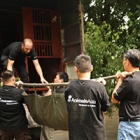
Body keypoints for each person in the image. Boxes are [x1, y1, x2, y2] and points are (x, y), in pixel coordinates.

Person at [65, 54, 110, 140]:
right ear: (91, 68)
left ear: (75, 69)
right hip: (96, 135)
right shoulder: (99, 87)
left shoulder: (70, 87)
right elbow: (105, 109)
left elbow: (69, 107)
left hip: (76, 135)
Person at [111, 49, 140, 140]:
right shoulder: (132, 79)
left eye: (124, 60)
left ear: (127, 61)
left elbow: (114, 99)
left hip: (128, 125)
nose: (123, 62)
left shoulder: (128, 81)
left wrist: (120, 81)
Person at [0, 70, 31, 140]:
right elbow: (29, 103)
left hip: (4, 127)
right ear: (13, 79)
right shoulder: (19, 92)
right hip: (19, 126)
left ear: (1, 80)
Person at [40, 72, 69, 140]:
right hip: (64, 115)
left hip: (57, 116)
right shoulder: (65, 89)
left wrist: (50, 89)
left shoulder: (59, 90)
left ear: (61, 80)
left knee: (45, 123)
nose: (54, 79)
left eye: (56, 78)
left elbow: (45, 98)